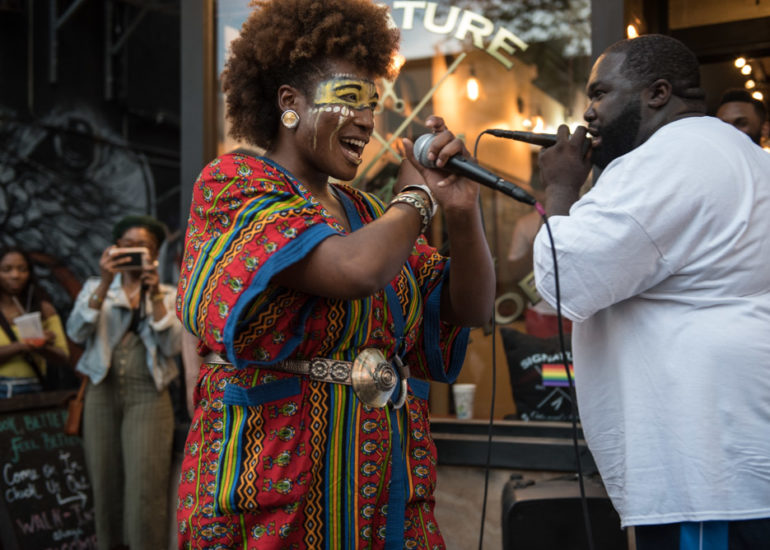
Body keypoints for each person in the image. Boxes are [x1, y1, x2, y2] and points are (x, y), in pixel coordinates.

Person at [174, 0, 495, 548]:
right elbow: (353, 270)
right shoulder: (234, 183)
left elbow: (472, 306)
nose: (367, 121)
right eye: (348, 98)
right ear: (290, 103)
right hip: (272, 487)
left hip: (377, 489)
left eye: (372, 104)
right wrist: (416, 197)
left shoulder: (369, 213)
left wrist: (462, 212)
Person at [532, 34, 770, 548]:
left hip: (704, 473)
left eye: (600, 94)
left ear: (658, 93)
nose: (588, 113)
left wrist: (562, 186)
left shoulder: (670, 157)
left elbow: (565, 276)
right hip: (732, 452)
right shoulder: (743, 155)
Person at [66, 215, 182, 550]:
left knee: (146, 486)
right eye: (126, 246)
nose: (133, 252)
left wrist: (154, 293)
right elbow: (76, 332)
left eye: (142, 247)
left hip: (149, 395)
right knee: (105, 482)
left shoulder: (169, 294)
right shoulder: (96, 288)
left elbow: (173, 347)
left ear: (154, 253)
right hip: (101, 392)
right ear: (114, 249)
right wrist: (104, 283)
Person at [0, 246, 69, 397]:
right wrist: (25, 345)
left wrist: (42, 346)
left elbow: (63, 356)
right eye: (6, 269)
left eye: (22, 269)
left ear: (30, 273)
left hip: (32, 388)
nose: (15, 275)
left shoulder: (43, 309)